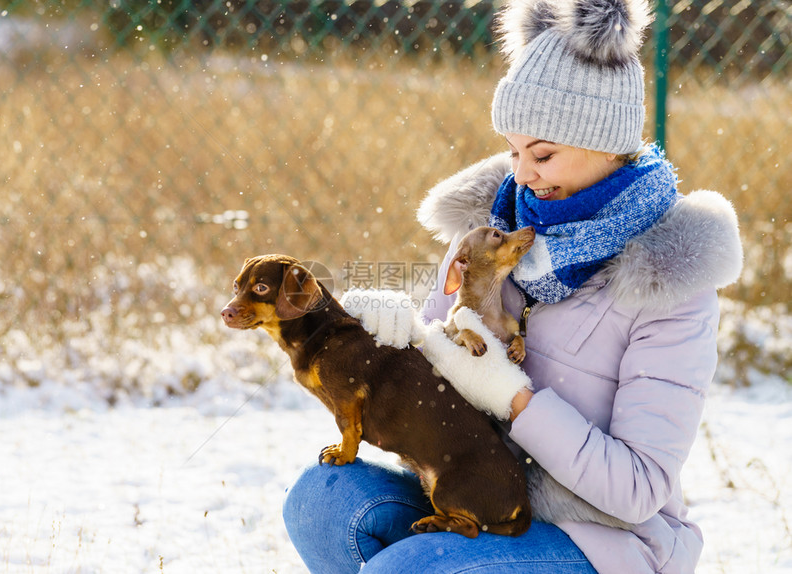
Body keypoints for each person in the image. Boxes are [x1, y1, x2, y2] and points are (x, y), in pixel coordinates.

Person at [282, 0, 743, 572]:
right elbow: (429, 389)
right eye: (513, 150)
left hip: (595, 536)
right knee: (320, 501)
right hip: (472, 481)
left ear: (609, 143)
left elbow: (638, 489)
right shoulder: (488, 234)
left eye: (543, 154)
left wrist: (513, 398)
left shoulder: (668, 279)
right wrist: (390, 338)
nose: (521, 175)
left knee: (413, 568)